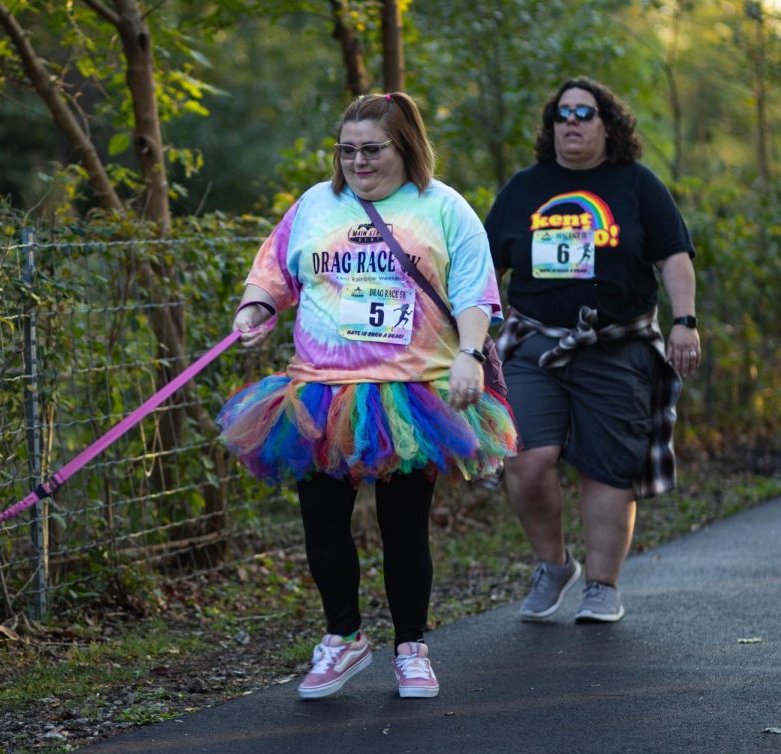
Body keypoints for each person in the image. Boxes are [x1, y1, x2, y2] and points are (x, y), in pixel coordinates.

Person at [218, 93, 517, 700]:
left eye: (371, 149)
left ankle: (412, 648)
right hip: (320, 392)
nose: (358, 161)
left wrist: (469, 355)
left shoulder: (444, 208)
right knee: (322, 525)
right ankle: (344, 638)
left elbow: (474, 293)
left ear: (404, 146)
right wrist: (254, 309)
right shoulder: (315, 205)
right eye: (347, 149)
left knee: (403, 527)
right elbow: (273, 272)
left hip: (411, 394)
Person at [484, 77, 700, 624]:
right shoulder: (523, 189)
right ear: (551, 126)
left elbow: (674, 254)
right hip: (535, 343)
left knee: (607, 469)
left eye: (585, 112)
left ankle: (603, 585)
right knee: (526, 461)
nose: (572, 122)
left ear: (609, 125)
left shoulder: (637, 185)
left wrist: (685, 321)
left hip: (617, 344)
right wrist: (474, 334)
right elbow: (485, 269)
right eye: (562, 114)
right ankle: (553, 565)